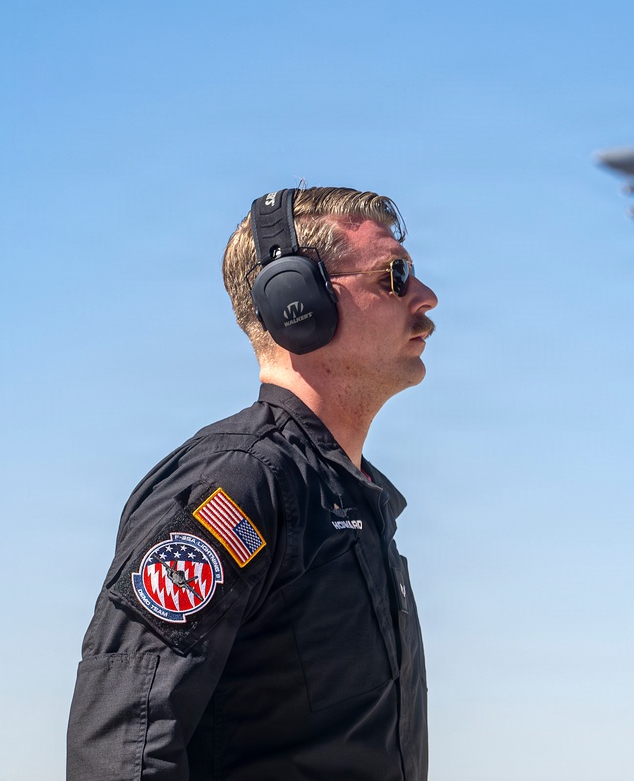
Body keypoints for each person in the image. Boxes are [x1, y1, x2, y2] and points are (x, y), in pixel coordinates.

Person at [67, 186, 438, 780]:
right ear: (299, 301)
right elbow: (125, 745)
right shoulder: (239, 485)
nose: (425, 296)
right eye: (394, 275)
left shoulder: (352, 500)